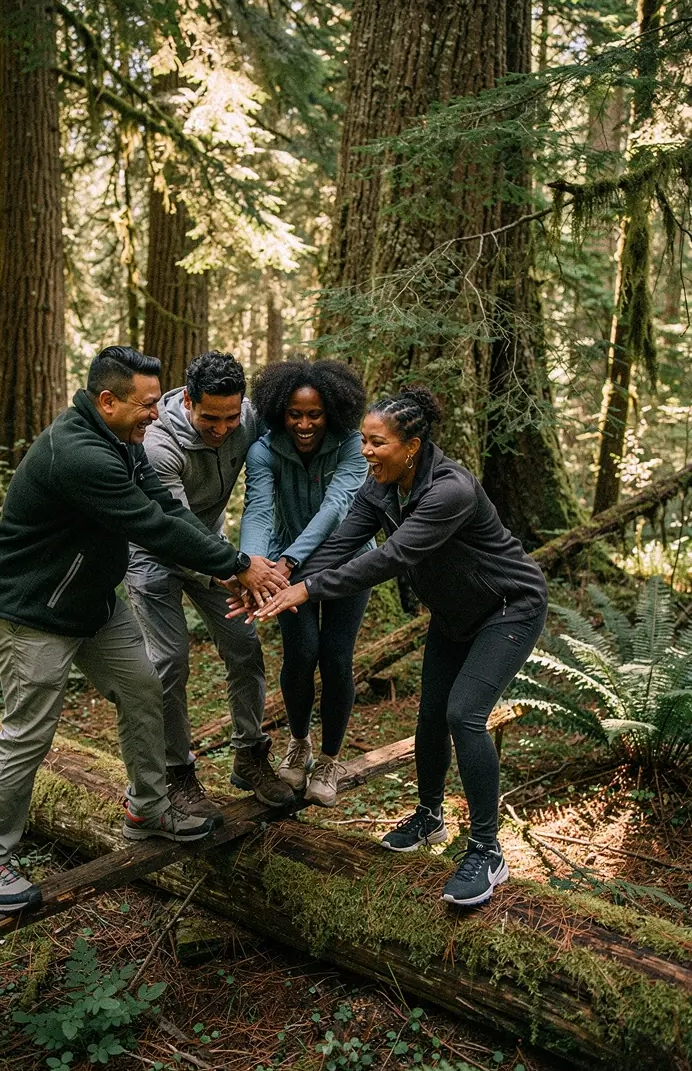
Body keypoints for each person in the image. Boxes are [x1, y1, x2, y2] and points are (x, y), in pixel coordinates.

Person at [0, 346, 285, 913]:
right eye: (145, 405)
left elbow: (167, 506)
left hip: (90, 603)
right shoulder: (80, 453)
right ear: (106, 401)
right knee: (28, 734)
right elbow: (151, 525)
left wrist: (228, 562)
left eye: (158, 403)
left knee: (146, 688)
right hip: (31, 610)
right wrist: (237, 566)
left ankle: (149, 806)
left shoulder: (121, 440)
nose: (155, 415)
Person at [250, 385, 548, 907]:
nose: (365, 451)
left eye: (376, 443)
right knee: (430, 714)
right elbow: (344, 544)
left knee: (464, 714)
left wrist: (305, 589)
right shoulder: (381, 486)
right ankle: (429, 817)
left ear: (411, 446)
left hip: (509, 608)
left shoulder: (450, 489)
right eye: (363, 441)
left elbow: (389, 557)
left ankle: (486, 850)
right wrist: (282, 579)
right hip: (456, 616)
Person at [126, 351, 294, 813]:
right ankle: (176, 774)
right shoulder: (159, 445)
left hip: (217, 551)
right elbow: (176, 525)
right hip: (154, 553)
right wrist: (236, 569)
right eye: (209, 419)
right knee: (171, 662)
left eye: (230, 417)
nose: (221, 429)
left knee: (244, 648)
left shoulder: (247, 418)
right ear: (188, 403)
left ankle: (250, 757)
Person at [239, 359, 371, 807]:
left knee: (335, 659)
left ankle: (331, 758)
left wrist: (291, 561)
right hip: (283, 567)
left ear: (331, 411)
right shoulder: (264, 449)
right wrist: (253, 564)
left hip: (346, 565)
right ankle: (299, 743)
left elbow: (337, 507)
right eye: (295, 413)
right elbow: (258, 509)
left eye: (314, 414)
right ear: (280, 411)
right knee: (300, 654)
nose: (304, 423)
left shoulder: (354, 446)